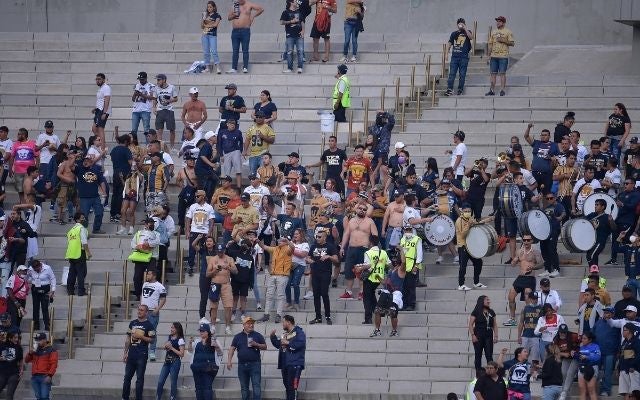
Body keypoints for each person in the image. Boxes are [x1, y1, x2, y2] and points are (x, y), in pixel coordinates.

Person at [339, 201, 377, 300]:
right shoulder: (351, 221)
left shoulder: (370, 221)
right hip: (351, 248)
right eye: (360, 208)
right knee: (349, 271)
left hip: (364, 249)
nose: (362, 210)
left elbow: (375, 236)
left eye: (364, 209)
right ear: (356, 209)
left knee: (362, 272)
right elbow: (346, 234)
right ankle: (349, 292)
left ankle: (362, 292)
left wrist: (372, 249)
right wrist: (342, 247)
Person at [504, 234, 543, 326]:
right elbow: (514, 264)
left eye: (528, 240)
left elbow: (541, 264)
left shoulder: (535, 252)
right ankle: (512, 318)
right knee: (511, 296)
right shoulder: (519, 251)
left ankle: (529, 318)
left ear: (531, 241)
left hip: (530, 277)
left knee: (527, 297)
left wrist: (533, 267)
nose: (526, 242)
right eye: (524, 240)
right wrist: (514, 261)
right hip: (520, 277)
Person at [227, 316, 267, 400]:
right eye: (248, 323)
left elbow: (265, 346)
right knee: (244, 388)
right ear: (244, 325)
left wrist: (257, 344)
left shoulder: (258, 335)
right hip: (242, 365)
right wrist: (229, 361)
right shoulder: (237, 336)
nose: (251, 325)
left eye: (252, 323)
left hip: (255, 364)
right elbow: (232, 349)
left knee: (256, 386)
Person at [122, 304, 156, 400]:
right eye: (138, 310)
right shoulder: (132, 323)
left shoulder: (149, 325)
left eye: (141, 310)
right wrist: (125, 353)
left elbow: (152, 340)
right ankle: (124, 397)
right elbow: (128, 339)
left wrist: (141, 337)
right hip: (131, 354)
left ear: (146, 312)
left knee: (139, 379)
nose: (139, 311)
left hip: (142, 354)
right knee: (127, 378)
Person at [256, 237, 294, 323]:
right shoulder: (275, 249)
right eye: (279, 240)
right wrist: (258, 242)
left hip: (283, 276)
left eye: (282, 240)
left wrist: (288, 241)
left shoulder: (288, 249)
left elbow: (293, 247)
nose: (279, 241)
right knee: (269, 295)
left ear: (285, 242)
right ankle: (266, 315)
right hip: (273, 275)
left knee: (280, 296)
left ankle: (279, 315)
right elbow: (264, 247)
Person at [269, 315, 306, 400]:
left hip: (295, 363)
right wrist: (273, 337)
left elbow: (300, 344)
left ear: (288, 322)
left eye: (283, 322)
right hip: (285, 364)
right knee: (287, 386)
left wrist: (288, 343)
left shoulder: (299, 332)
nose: (282, 324)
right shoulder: (285, 334)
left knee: (292, 387)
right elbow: (279, 345)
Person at [306, 229, 338, 324]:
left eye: (319, 237)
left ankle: (327, 316)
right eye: (316, 236)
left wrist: (329, 257)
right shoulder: (313, 246)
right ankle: (318, 317)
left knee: (324, 293)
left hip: (325, 273)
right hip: (315, 273)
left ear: (324, 237)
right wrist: (309, 260)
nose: (317, 238)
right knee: (316, 295)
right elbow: (308, 257)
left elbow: (336, 259)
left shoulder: (330, 246)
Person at [207, 243, 238, 335]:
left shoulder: (229, 259)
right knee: (213, 307)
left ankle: (228, 326)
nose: (220, 253)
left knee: (228, 306)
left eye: (221, 251)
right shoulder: (212, 259)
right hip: (215, 284)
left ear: (224, 250)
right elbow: (207, 274)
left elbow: (236, 271)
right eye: (218, 251)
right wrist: (215, 270)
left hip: (226, 284)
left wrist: (228, 267)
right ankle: (212, 326)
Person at [455, 204, 487, 291]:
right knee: (463, 266)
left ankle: (476, 282)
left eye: (469, 211)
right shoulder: (459, 220)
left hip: (471, 246)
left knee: (478, 262)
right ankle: (461, 284)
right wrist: (468, 225)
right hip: (463, 246)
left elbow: (476, 225)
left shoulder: (470, 219)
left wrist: (487, 220)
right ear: (462, 211)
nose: (468, 213)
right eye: (466, 211)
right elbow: (462, 234)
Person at [227, 0, 264, 73]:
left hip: (245, 30)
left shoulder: (249, 4)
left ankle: (245, 67)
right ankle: (234, 68)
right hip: (235, 31)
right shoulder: (234, 5)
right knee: (235, 50)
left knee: (245, 50)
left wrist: (253, 16)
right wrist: (233, 15)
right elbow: (229, 18)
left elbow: (261, 9)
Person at [190, 323, 223, 400]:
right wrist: (189, 343)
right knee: (198, 388)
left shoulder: (213, 340)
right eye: (200, 331)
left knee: (207, 388)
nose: (201, 332)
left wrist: (216, 346)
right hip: (197, 368)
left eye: (203, 331)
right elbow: (190, 351)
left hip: (208, 369)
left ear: (207, 332)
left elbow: (220, 353)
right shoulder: (197, 341)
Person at [130, 218, 160, 301]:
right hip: (140, 257)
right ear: (146, 224)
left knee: (151, 276)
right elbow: (133, 243)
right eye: (150, 223)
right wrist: (137, 246)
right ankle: (138, 294)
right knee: (137, 277)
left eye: (153, 223)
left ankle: (150, 294)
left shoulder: (156, 233)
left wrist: (148, 244)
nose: (152, 225)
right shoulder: (139, 233)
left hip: (151, 257)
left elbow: (157, 242)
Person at [186, 190, 215, 276]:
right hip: (194, 230)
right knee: (192, 249)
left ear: (203, 196)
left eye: (198, 196)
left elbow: (211, 220)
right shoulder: (193, 206)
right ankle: (190, 266)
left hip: (204, 231)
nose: (196, 198)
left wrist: (209, 232)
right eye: (195, 196)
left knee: (205, 250)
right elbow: (188, 219)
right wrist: (187, 231)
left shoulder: (209, 207)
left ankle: (205, 267)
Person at [524, 123, 559, 194]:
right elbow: (526, 136)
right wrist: (529, 127)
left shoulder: (554, 145)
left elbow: (558, 158)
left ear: (549, 136)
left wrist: (552, 158)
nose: (543, 136)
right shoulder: (536, 143)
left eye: (545, 135)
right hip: (535, 173)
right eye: (542, 135)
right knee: (534, 193)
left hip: (547, 174)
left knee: (546, 194)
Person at [140, 269, 166, 362]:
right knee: (141, 331)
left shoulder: (160, 286)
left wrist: (157, 309)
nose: (147, 275)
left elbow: (163, 299)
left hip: (152, 312)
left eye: (149, 274)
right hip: (143, 311)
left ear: (154, 276)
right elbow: (142, 296)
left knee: (152, 332)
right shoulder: (145, 284)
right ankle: (142, 350)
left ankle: (152, 351)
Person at [593, 307, 619, 397]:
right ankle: (594, 390)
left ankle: (606, 390)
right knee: (595, 372)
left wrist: (618, 351)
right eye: (605, 313)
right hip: (598, 352)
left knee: (607, 373)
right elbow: (592, 334)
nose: (606, 314)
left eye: (608, 313)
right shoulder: (599, 322)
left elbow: (620, 338)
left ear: (612, 314)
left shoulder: (616, 323)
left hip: (610, 353)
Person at [486, 16, 515, 96]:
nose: (497, 23)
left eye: (499, 21)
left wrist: (504, 40)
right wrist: (488, 56)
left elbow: (512, 43)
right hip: (493, 56)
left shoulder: (508, 31)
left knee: (502, 73)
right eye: (497, 21)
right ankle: (492, 90)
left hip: (503, 57)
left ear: (503, 23)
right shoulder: (493, 32)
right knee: (493, 74)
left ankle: (502, 90)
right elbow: (490, 44)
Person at [156, 322, 185, 400]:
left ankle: (172, 398)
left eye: (173, 328)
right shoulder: (170, 336)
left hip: (175, 362)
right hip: (167, 361)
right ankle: (158, 397)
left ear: (177, 329)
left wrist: (171, 348)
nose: (171, 329)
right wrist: (166, 346)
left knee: (173, 382)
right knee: (160, 381)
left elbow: (182, 354)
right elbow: (167, 347)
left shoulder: (181, 339)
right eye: (171, 327)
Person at [469, 295, 498, 373]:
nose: (489, 301)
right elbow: (470, 324)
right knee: (478, 355)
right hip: (478, 335)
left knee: (489, 355)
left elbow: (495, 325)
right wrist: (473, 335)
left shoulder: (491, 312)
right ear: (482, 301)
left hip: (488, 335)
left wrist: (496, 336)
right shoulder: (476, 311)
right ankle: (478, 373)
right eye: (487, 300)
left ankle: (491, 372)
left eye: (489, 300)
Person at [25, 332, 58, 400]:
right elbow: (26, 360)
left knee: (44, 397)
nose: (37, 341)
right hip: (35, 377)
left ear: (45, 340)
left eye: (39, 340)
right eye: (37, 340)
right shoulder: (35, 349)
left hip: (45, 376)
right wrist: (30, 353)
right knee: (38, 397)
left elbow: (54, 364)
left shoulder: (51, 350)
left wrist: (50, 375)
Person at [539, 193, 565, 277]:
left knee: (552, 249)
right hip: (545, 231)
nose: (549, 200)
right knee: (544, 250)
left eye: (551, 198)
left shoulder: (559, 206)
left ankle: (556, 269)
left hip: (554, 230)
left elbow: (563, 214)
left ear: (555, 198)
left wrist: (558, 218)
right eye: (547, 198)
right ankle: (547, 269)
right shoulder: (546, 208)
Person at [445, 18, 473, 96]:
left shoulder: (468, 32)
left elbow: (471, 37)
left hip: (464, 57)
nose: (460, 25)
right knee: (452, 74)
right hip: (455, 57)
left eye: (462, 23)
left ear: (464, 24)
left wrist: (465, 28)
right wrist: (446, 54)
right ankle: (449, 89)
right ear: (457, 25)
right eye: (459, 23)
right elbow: (449, 43)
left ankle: (460, 89)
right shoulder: (454, 33)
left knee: (462, 74)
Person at [65, 212, 91, 296]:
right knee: (81, 273)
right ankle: (81, 291)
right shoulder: (81, 228)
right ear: (77, 219)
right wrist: (88, 252)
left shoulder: (71, 230)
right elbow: (84, 242)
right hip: (80, 253)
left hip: (71, 254)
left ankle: (70, 290)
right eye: (82, 218)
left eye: (84, 218)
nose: (84, 219)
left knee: (72, 273)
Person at [585, 198, 616, 266]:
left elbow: (614, 228)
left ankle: (594, 274)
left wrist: (611, 221)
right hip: (591, 241)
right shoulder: (592, 215)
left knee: (590, 256)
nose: (595, 206)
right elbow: (583, 222)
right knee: (592, 257)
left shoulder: (607, 217)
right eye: (595, 204)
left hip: (600, 241)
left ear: (603, 207)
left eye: (597, 205)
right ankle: (594, 275)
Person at [27, 259, 56, 331]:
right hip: (35, 288)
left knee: (44, 307)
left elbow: (52, 278)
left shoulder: (47, 268)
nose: (37, 271)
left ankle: (47, 325)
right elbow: (28, 277)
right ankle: (36, 325)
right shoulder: (30, 269)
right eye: (35, 270)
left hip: (45, 288)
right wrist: (30, 281)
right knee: (35, 307)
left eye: (38, 269)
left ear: (40, 265)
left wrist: (53, 290)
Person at [152, 73, 179, 148]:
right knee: (159, 130)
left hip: (169, 110)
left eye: (159, 80)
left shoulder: (171, 87)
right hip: (160, 110)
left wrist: (169, 101)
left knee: (172, 129)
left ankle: (172, 147)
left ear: (164, 80)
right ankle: (160, 147)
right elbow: (154, 99)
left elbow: (176, 98)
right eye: (157, 80)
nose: (157, 82)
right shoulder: (156, 88)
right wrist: (154, 108)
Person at [518, 292, 542, 368]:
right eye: (534, 299)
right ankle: (522, 369)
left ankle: (534, 373)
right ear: (530, 299)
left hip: (536, 336)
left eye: (536, 298)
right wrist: (519, 336)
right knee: (523, 356)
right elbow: (521, 322)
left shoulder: (541, 308)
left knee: (535, 357)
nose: (535, 300)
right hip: (526, 335)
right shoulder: (525, 308)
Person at [574, 332, 601, 400]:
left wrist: (587, 357)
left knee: (591, 389)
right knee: (582, 390)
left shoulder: (595, 346)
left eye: (584, 339)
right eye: (582, 338)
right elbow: (579, 358)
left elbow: (598, 357)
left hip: (591, 368)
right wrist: (574, 354)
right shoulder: (581, 347)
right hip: (582, 368)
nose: (582, 340)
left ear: (590, 340)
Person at [281, 0, 305, 73]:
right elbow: (281, 22)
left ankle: (300, 67)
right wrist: (291, 22)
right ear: (291, 3)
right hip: (290, 35)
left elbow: (302, 22)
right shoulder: (286, 12)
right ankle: (289, 68)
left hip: (299, 35)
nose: (296, 2)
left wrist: (303, 30)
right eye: (295, 1)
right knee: (289, 52)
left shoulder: (299, 12)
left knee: (300, 51)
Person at [130, 71, 155, 142]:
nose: (141, 81)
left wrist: (141, 94)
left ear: (146, 78)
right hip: (136, 110)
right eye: (140, 79)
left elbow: (152, 97)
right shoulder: (137, 85)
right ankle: (134, 147)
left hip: (145, 110)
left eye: (142, 79)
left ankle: (148, 147)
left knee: (146, 130)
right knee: (134, 130)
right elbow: (133, 99)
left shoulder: (151, 86)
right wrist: (135, 94)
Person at [617, 323, 640, 399]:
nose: (623, 332)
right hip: (623, 369)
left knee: (633, 393)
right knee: (625, 392)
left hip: (632, 370)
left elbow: (638, 355)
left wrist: (633, 365)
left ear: (630, 331)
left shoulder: (636, 341)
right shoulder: (624, 342)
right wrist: (619, 368)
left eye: (624, 330)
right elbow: (622, 356)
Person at [0, 331, 23, 400]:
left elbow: (21, 360)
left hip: (14, 373)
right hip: (2, 373)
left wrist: (21, 370)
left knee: (9, 395)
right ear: (10, 338)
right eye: (14, 337)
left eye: (17, 337)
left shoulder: (18, 347)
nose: (16, 339)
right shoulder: (2, 345)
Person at [201, 1, 222, 74]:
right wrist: (203, 18)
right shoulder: (206, 15)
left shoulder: (217, 15)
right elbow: (201, 26)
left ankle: (218, 67)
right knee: (206, 52)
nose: (209, 8)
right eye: (208, 7)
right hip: (205, 35)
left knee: (214, 51)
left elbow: (215, 25)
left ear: (214, 7)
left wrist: (207, 25)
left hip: (212, 35)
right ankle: (207, 68)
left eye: (210, 7)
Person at [92, 73, 111, 148]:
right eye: (96, 79)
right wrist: (95, 108)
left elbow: (107, 100)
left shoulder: (106, 87)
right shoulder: (101, 88)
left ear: (103, 79)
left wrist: (105, 112)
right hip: (98, 110)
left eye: (99, 79)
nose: (97, 81)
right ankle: (101, 144)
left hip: (103, 110)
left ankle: (103, 148)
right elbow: (100, 100)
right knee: (94, 128)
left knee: (100, 129)